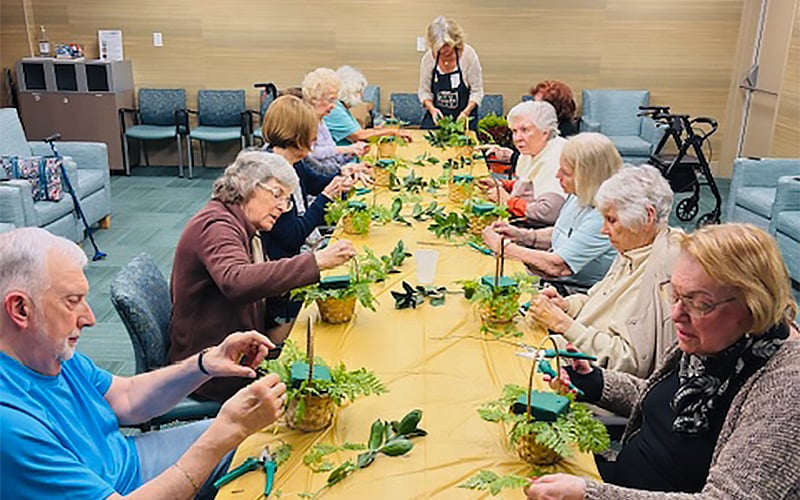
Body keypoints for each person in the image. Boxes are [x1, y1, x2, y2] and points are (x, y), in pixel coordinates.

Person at [0, 227, 288, 499]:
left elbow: (125, 398)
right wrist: (226, 433)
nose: (89, 318)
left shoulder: (46, 351)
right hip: (128, 491)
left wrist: (204, 363)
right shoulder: (10, 426)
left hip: (129, 461)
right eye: (72, 301)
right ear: (20, 308)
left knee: (272, 435)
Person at [526, 223, 800, 499]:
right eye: (676, 295)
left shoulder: (787, 389)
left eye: (699, 303)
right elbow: (663, 404)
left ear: (754, 303)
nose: (677, 314)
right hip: (617, 480)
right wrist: (595, 381)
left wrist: (592, 494)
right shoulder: (713, 339)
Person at [169, 150, 356, 402]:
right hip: (214, 370)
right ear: (246, 186)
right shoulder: (216, 226)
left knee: (334, 337)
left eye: (287, 199)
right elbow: (237, 281)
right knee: (332, 363)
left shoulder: (242, 224)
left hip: (242, 347)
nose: (282, 206)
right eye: (277, 194)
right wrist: (316, 261)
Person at [527, 165, 680, 377]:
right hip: (570, 354)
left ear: (648, 216)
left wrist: (562, 323)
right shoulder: (634, 246)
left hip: (594, 384)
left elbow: (630, 363)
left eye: (611, 220)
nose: (603, 230)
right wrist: (566, 305)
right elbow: (597, 301)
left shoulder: (666, 269)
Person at [483, 132, 620, 292]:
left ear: (587, 177)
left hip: (570, 294)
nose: (557, 175)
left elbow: (557, 266)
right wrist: (520, 235)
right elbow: (561, 233)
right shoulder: (579, 195)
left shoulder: (604, 216)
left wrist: (503, 248)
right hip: (551, 280)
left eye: (566, 173)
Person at [479, 101, 568, 228]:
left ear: (545, 133)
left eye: (524, 130)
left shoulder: (557, 156)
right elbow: (530, 184)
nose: (517, 138)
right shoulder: (532, 150)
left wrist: (508, 201)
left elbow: (549, 212)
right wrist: (502, 185)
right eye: (514, 131)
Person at [418, 16, 484, 130]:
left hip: (464, 115)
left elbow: (477, 91)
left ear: (455, 40)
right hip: (438, 116)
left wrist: (466, 113)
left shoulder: (468, 55)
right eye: (439, 47)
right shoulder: (428, 59)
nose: (444, 50)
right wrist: (432, 109)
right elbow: (424, 91)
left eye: (447, 45)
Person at [303, 67, 369, 175]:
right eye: (330, 100)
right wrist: (347, 149)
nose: (334, 106)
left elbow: (333, 160)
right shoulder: (305, 123)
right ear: (315, 98)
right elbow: (312, 154)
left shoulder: (321, 121)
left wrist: (352, 154)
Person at [324, 65, 412, 146]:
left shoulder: (342, 107)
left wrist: (380, 130)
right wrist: (393, 131)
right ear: (348, 92)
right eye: (358, 92)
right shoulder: (335, 109)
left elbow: (357, 132)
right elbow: (358, 135)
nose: (361, 96)